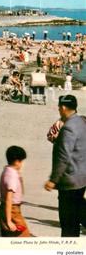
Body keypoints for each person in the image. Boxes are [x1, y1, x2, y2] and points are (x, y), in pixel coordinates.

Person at [44, 95, 86, 237]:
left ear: (62, 108)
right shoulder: (81, 122)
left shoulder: (68, 127)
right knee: (77, 214)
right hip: (81, 178)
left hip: (70, 181)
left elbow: (63, 156)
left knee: (68, 223)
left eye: (59, 107)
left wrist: (53, 180)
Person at [0, 146, 31, 237]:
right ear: (17, 161)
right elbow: (9, 199)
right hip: (12, 211)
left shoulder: (7, 170)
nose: (21, 164)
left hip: (4, 208)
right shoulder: (12, 176)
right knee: (24, 236)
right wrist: (9, 221)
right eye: (21, 161)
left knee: (8, 236)